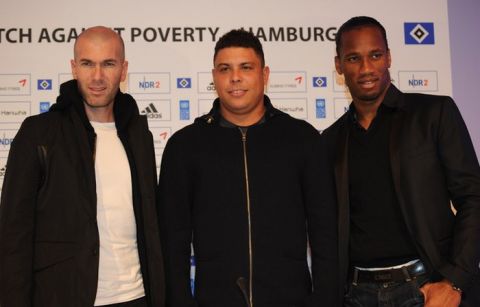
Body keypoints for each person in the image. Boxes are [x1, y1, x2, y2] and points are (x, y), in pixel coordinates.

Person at [158, 29, 337, 307]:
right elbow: (173, 239)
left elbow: (325, 231)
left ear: (264, 75)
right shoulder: (185, 146)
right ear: (214, 76)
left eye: (246, 67)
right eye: (225, 69)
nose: (235, 78)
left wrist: (324, 299)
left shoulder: (303, 139)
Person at [0, 26, 165, 307]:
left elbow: (150, 227)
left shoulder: (139, 135)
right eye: (88, 64)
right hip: (64, 297)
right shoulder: (39, 134)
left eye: (108, 64)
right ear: (74, 68)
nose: (98, 76)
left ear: (124, 70)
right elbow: (13, 237)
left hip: (135, 297)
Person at [323, 16, 480, 306]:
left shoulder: (434, 114)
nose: (366, 68)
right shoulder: (330, 140)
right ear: (338, 66)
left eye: (375, 55)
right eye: (353, 58)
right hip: (356, 295)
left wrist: (454, 280)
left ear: (389, 58)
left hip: (427, 289)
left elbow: (473, 197)